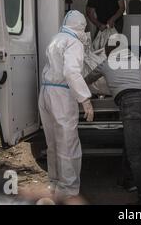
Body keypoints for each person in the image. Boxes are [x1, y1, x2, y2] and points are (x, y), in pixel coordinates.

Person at [85, 42, 141, 205]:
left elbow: (87, 79)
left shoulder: (105, 63)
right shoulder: (133, 60)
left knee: (135, 155)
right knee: (131, 144)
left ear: (107, 52)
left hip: (131, 106)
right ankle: (127, 180)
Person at [38, 10, 94, 200]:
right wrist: (85, 99)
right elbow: (71, 72)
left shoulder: (56, 38)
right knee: (67, 143)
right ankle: (68, 190)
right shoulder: (74, 42)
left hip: (46, 91)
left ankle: (54, 182)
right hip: (61, 94)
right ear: (81, 27)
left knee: (52, 142)